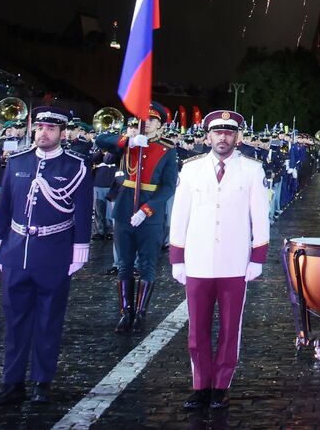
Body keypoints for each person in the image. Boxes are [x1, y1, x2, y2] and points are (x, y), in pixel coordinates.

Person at [0, 108, 93, 406]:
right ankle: (11, 381)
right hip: (17, 251)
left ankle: (42, 381)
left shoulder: (76, 166)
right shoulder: (18, 161)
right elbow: (5, 205)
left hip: (54, 251)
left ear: (61, 133)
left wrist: (80, 247)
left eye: (50, 128)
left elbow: (83, 210)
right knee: (15, 322)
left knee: (48, 321)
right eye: (40, 127)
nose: (43, 133)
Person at [169, 110, 269, 412]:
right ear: (208, 136)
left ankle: (221, 386)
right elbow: (179, 216)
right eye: (217, 132)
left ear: (237, 137)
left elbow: (259, 217)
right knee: (196, 330)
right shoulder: (191, 170)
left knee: (230, 329)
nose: (223, 137)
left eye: (229, 132)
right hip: (197, 260)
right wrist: (177, 258)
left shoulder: (252, 170)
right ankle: (200, 385)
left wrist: (258, 257)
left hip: (235, 261)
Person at [96, 104, 179, 333]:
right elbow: (101, 140)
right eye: (144, 119)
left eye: (152, 120)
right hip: (124, 208)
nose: (148, 123)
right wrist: (127, 141)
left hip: (149, 213)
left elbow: (169, 186)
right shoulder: (129, 144)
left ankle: (141, 312)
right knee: (124, 263)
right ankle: (125, 311)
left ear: (160, 125)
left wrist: (148, 209)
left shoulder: (167, 150)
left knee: (147, 264)